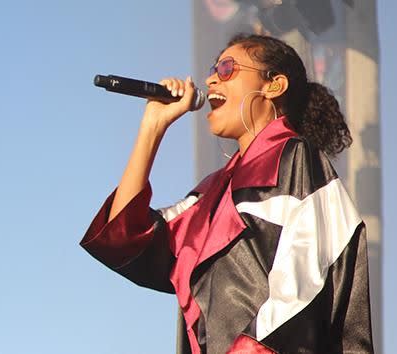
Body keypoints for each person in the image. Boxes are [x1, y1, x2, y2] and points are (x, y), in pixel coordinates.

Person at [80, 34, 374, 354]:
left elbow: (302, 290)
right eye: (212, 69)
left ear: (274, 85)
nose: (210, 79)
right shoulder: (210, 195)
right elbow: (124, 237)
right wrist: (152, 126)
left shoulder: (298, 160)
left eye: (226, 68)